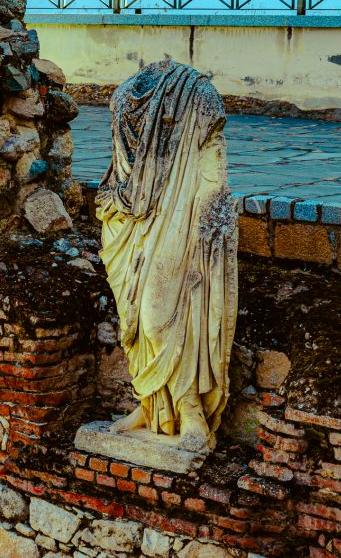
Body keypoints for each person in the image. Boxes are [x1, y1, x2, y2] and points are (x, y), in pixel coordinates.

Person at [96, 60, 238, 452]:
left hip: (180, 215)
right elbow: (120, 173)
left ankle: (189, 408)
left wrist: (211, 219)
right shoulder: (123, 100)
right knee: (135, 322)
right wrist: (116, 203)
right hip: (131, 224)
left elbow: (214, 168)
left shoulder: (199, 98)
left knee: (160, 317)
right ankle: (149, 406)